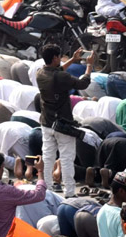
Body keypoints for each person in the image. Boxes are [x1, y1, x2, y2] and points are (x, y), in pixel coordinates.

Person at [36, 45, 94, 196]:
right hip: (63, 124)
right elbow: (83, 84)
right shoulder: (61, 77)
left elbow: (58, 72)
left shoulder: (40, 73)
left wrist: (73, 60)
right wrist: (89, 66)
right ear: (55, 58)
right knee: (67, 158)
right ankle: (69, 192)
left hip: (46, 122)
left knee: (48, 157)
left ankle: (46, 189)